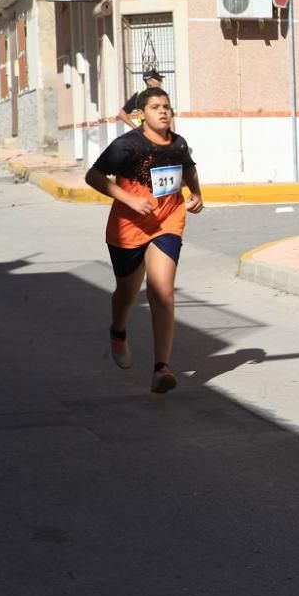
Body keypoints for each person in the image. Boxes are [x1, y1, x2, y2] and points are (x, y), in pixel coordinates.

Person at [85, 86, 203, 394]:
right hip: (128, 225)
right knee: (126, 292)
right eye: (155, 107)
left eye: (166, 106)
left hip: (167, 221)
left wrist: (196, 195)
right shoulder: (126, 146)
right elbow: (94, 176)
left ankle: (161, 368)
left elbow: (189, 170)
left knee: (162, 292)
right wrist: (129, 200)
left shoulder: (178, 144)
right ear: (141, 115)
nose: (163, 111)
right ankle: (118, 331)